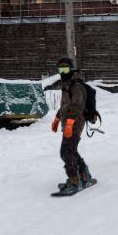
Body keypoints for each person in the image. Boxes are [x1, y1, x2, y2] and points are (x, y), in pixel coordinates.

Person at [48, 57, 92, 194]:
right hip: (68, 121)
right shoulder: (66, 86)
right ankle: (84, 175)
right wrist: (57, 118)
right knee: (70, 150)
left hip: (75, 121)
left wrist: (70, 123)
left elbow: (77, 107)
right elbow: (66, 106)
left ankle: (74, 181)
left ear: (71, 69)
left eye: (65, 69)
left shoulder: (76, 86)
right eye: (60, 69)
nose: (63, 72)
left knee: (66, 151)